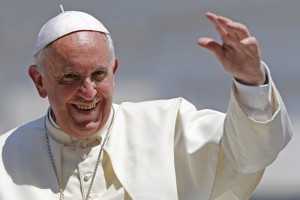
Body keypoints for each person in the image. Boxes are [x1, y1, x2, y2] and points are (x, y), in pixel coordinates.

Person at [0, 10, 293, 200]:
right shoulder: (5, 159)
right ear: (39, 81)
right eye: (71, 77)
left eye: (98, 75)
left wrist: (251, 80)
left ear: (113, 72)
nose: (87, 92)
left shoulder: (170, 126)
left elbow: (253, 152)